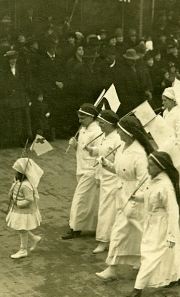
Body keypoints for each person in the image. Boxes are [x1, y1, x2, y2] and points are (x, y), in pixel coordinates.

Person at [96, 116, 154, 280]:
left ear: (128, 133)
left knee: (119, 232)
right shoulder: (122, 147)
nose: (118, 133)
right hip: (121, 194)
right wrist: (106, 164)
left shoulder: (139, 154)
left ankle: (112, 269)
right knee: (137, 233)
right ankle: (142, 260)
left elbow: (144, 180)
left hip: (135, 198)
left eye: (120, 130)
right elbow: (120, 170)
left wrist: (135, 202)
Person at [127, 151, 180, 297]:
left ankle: (138, 287)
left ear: (160, 167)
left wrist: (171, 234)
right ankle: (177, 276)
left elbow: (173, 211)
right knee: (169, 252)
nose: (147, 168)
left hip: (162, 224)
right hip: (151, 222)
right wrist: (136, 198)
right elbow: (148, 197)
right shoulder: (152, 180)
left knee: (150, 254)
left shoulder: (166, 186)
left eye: (151, 165)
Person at [61, 103, 102, 240]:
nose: (80, 121)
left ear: (91, 117)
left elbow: (100, 152)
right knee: (90, 199)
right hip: (81, 167)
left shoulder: (97, 131)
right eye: (79, 118)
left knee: (80, 198)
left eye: (82, 118)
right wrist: (75, 145)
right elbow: (82, 149)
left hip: (91, 169)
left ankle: (75, 227)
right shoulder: (83, 129)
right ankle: (93, 226)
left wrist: (97, 172)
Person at [85, 109, 121, 254]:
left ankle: (104, 241)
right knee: (106, 209)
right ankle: (108, 238)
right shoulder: (104, 136)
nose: (99, 125)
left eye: (102, 123)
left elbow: (118, 161)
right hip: (104, 177)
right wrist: (92, 150)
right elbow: (103, 149)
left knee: (108, 210)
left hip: (114, 179)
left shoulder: (118, 139)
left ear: (111, 124)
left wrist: (106, 163)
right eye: (99, 122)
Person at [6, 158, 43, 259]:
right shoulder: (18, 182)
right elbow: (12, 193)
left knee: (21, 229)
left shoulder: (26, 186)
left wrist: (18, 203)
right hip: (18, 209)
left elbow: (29, 200)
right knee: (21, 228)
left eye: (17, 172)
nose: (15, 174)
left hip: (24, 211)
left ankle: (23, 250)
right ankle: (34, 238)